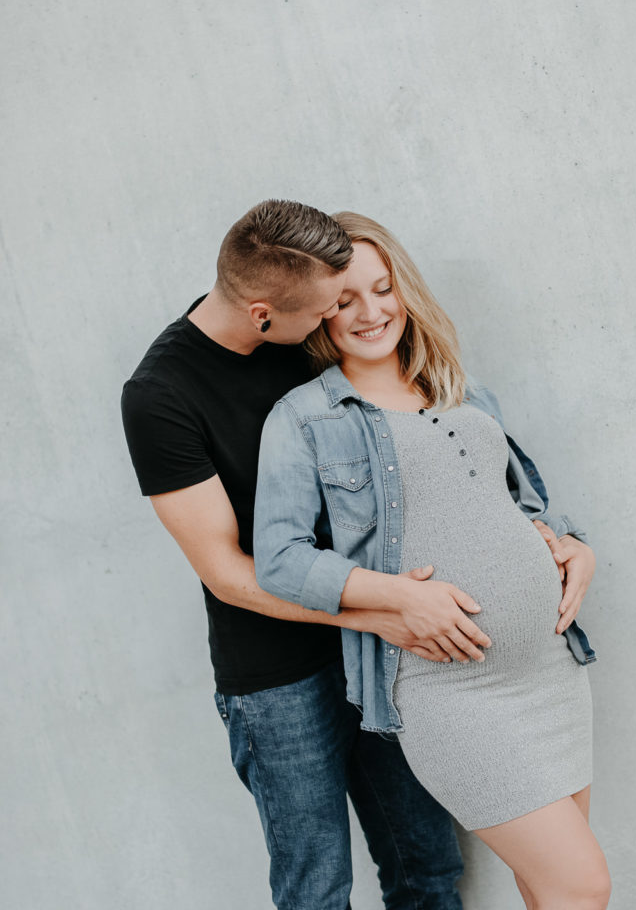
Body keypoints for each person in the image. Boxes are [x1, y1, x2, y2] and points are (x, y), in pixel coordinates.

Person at [121, 199, 474, 910]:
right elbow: (226, 573)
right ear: (261, 315)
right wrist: (380, 613)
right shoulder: (161, 396)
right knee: (317, 892)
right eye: (323, 313)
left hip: (380, 652)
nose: (335, 325)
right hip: (276, 679)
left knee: (428, 867)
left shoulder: (293, 320)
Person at [253, 212, 611, 910]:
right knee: (583, 885)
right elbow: (280, 559)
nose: (369, 311)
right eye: (344, 299)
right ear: (319, 312)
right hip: (452, 692)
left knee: (550, 890)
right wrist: (390, 595)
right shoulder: (304, 419)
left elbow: (525, 507)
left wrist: (574, 548)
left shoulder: (462, 389)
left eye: (382, 288)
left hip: (550, 671)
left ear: (404, 288)